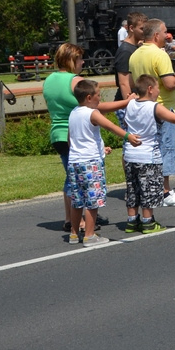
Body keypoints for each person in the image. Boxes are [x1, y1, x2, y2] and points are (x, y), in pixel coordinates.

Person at [44, 43, 126, 236]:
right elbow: (97, 106)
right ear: (72, 59)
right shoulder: (76, 80)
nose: (82, 62)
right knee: (81, 180)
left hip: (57, 132)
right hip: (77, 134)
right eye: (80, 59)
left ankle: (70, 218)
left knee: (71, 175)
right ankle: (80, 221)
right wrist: (126, 102)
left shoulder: (49, 80)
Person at [123, 75, 175, 232]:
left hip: (129, 155)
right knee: (149, 189)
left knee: (133, 189)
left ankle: (132, 221)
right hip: (148, 156)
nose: (157, 92)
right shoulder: (154, 107)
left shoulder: (130, 104)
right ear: (149, 89)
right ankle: (148, 221)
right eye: (157, 88)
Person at [66, 79, 141, 245]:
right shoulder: (92, 113)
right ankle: (89, 235)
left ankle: (73, 233)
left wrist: (101, 148)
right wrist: (129, 136)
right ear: (88, 97)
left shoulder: (73, 112)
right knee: (92, 200)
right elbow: (110, 126)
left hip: (75, 162)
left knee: (77, 200)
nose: (100, 98)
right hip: (90, 162)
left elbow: (71, 139)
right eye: (98, 95)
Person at [129, 18, 175, 207]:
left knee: (152, 151)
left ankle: (154, 190)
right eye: (164, 32)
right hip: (162, 106)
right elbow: (170, 84)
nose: (167, 35)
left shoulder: (135, 55)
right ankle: (165, 191)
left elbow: (133, 84)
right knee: (167, 148)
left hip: (144, 108)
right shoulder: (160, 55)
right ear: (156, 35)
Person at [114, 12, 147, 129]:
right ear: (131, 28)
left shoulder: (135, 47)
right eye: (142, 28)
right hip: (126, 104)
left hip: (136, 100)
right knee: (133, 140)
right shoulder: (125, 51)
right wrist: (131, 108)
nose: (145, 31)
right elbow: (123, 82)